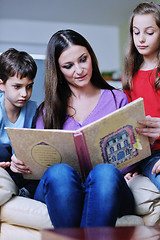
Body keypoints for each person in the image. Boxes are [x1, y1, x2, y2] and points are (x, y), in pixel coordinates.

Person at [10, 29, 135, 228]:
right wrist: (20, 163)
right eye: (68, 66)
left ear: (91, 57)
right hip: (61, 189)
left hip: (107, 187)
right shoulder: (47, 111)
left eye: (83, 60)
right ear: (58, 70)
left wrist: (131, 168)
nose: (79, 70)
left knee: (105, 172)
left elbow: (132, 153)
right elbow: (38, 163)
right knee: (59, 172)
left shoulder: (117, 99)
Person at [122, 2, 160, 187]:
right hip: (146, 155)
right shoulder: (129, 76)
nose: (141, 39)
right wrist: (130, 167)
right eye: (136, 32)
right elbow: (129, 126)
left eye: (149, 32)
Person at [0, 48, 38, 197]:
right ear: (1, 85)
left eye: (29, 86)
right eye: (17, 87)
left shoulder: (34, 109)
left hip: (22, 169)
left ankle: (23, 193)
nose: (24, 94)